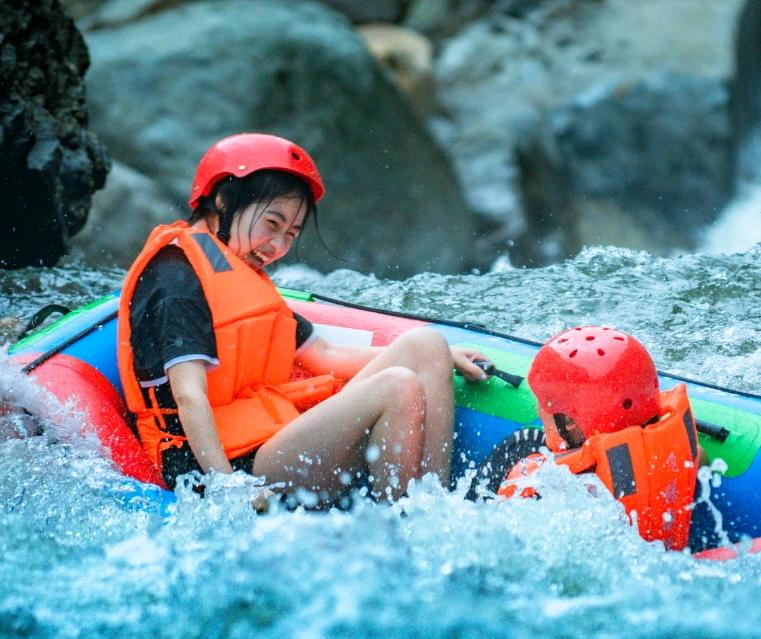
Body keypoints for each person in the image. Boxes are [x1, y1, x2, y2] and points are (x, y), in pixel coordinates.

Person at [117, 132, 487, 505]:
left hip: (270, 437)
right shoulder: (176, 278)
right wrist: (229, 489)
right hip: (220, 467)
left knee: (428, 345)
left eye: (291, 234)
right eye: (272, 224)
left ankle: (435, 504)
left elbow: (323, 353)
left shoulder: (235, 272)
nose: (278, 247)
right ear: (223, 199)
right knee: (397, 385)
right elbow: (188, 395)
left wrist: (442, 360)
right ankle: (406, 519)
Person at [496, 326, 701, 550]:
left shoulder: (550, 491)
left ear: (571, 421)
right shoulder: (683, 451)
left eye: (543, 401)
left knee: (521, 442)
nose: (538, 409)